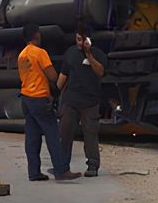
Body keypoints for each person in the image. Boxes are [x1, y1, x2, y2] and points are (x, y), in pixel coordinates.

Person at [17, 26, 78, 181]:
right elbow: (52, 76)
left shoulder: (22, 55)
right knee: (53, 135)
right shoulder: (40, 53)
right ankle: (61, 170)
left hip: (26, 99)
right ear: (37, 35)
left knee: (32, 137)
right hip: (40, 98)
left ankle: (34, 172)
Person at [56, 21, 106, 178]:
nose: (79, 42)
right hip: (71, 101)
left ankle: (92, 166)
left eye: (82, 39)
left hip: (90, 102)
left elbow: (100, 72)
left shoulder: (97, 54)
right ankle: (62, 166)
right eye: (77, 39)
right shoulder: (70, 53)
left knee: (90, 135)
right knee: (64, 134)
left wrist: (88, 54)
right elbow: (63, 76)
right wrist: (56, 91)